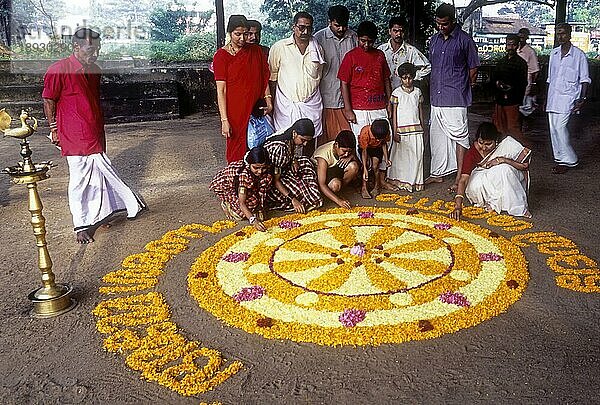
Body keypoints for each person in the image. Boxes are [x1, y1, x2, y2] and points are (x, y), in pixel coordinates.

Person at [42, 28, 146, 244]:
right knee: (80, 179)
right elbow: (48, 100)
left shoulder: (94, 69)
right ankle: (81, 225)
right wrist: (54, 128)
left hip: (94, 130)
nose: (96, 53)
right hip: (73, 135)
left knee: (98, 175)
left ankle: (101, 215)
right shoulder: (59, 69)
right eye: (91, 49)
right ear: (76, 47)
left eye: (98, 49)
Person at [427, 3, 480, 192]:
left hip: (456, 97)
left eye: (445, 24)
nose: (441, 27)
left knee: (460, 137)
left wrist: (464, 86)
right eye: (438, 23)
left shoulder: (465, 40)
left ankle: (459, 176)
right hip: (436, 97)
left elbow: (473, 68)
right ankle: (438, 173)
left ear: (453, 21)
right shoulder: (434, 40)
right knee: (437, 137)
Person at [214, 15, 272, 163]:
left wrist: (269, 101)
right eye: (237, 34)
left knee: (258, 146)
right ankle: (236, 182)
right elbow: (221, 90)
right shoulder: (221, 56)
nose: (242, 38)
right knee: (236, 149)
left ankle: (255, 182)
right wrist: (224, 120)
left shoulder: (256, 51)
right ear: (229, 32)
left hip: (255, 108)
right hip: (235, 112)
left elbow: (264, 78)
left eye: (245, 33)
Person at [269, 11, 325, 155]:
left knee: (309, 139)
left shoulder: (317, 48)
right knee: (284, 139)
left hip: (311, 103)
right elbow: (272, 77)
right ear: (293, 27)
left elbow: (320, 75)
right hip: (286, 103)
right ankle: (285, 171)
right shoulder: (279, 47)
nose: (305, 31)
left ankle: (307, 170)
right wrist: (272, 103)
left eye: (309, 28)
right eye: (301, 27)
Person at [450, 122, 531, 221]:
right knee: (474, 185)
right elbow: (463, 179)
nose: (484, 148)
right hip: (484, 176)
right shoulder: (473, 152)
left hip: (506, 174)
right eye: (481, 142)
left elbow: (524, 166)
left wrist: (502, 160)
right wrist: (458, 206)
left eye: (488, 144)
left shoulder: (506, 143)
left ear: (496, 141)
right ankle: (492, 203)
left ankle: (516, 207)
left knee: (504, 169)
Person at [338, 21, 391, 150]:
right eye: (363, 41)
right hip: (358, 109)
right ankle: (364, 170)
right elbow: (343, 83)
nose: (366, 45)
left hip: (379, 107)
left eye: (370, 41)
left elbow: (386, 80)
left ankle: (381, 170)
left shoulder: (380, 55)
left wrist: (389, 103)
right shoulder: (350, 56)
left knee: (382, 141)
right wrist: (348, 109)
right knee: (361, 143)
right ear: (357, 38)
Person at [546, 22, 591, 174]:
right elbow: (550, 78)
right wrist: (545, 98)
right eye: (558, 33)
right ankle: (560, 160)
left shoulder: (579, 55)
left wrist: (582, 99)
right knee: (553, 129)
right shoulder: (554, 54)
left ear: (570, 34)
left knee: (560, 128)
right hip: (553, 97)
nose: (560, 36)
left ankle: (571, 159)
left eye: (563, 33)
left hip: (568, 98)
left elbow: (585, 79)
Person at [314, 5, 357, 146]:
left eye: (344, 26)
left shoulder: (354, 37)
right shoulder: (318, 38)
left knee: (349, 141)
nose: (341, 29)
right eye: (337, 25)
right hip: (327, 98)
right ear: (329, 22)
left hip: (350, 100)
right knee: (327, 142)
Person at [264, 118, 323, 213]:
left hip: (283, 170)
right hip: (272, 182)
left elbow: (290, 156)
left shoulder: (290, 139)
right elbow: (276, 181)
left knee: (306, 161)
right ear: (295, 133)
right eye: (303, 140)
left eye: (307, 141)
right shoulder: (279, 148)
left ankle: (306, 190)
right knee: (308, 197)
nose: (305, 144)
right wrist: (293, 199)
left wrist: (293, 160)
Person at [209, 146, 273, 232]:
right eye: (256, 168)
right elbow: (242, 203)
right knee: (240, 215)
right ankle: (226, 204)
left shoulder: (265, 172)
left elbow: (262, 190)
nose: (260, 172)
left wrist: (259, 207)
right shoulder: (244, 176)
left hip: (248, 188)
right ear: (249, 164)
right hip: (228, 187)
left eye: (263, 168)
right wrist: (253, 221)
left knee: (257, 211)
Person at [388, 62, 425, 192]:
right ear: (400, 77)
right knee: (402, 158)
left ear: (413, 77)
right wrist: (395, 130)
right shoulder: (396, 93)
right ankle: (402, 180)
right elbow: (394, 114)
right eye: (404, 78)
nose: (407, 81)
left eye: (410, 77)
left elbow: (420, 110)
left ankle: (415, 181)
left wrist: (423, 127)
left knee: (417, 155)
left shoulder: (417, 92)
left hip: (416, 130)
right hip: (402, 130)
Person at [491, 34, 528, 146]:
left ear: (517, 46)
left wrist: (511, 88)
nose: (510, 47)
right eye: (508, 44)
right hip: (499, 98)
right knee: (499, 126)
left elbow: (523, 82)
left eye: (513, 45)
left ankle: (521, 149)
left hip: (513, 99)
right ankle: (503, 148)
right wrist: (498, 83)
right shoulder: (501, 61)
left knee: (513, 128)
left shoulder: (521, 63)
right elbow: (495, 77)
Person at [377, 16, 431, 91]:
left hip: (404, 94)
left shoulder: (411, 51)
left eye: (401, 31)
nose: (398, 34)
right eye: (395, 31)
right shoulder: (381, 50)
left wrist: (412, 76)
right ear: (390, 31)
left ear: (405, 32)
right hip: (384, 93)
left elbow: (427, 67)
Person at [313, 130, 359, 209]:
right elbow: (322, 184)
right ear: (336, 145)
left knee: (354, 166)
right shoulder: (323, 157)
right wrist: (339, 201)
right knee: (335, 185)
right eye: (344, 151)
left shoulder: (345, 147)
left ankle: (339, 191)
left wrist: (351, 157)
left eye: (349, 151)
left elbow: (357, 162)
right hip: (321, 174)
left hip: (334, 169)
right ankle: (331, 195)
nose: (346, 154)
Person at [358, 119, 395, 199]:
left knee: (375, 166)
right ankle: (364, 187)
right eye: (376, 138)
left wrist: (386, 159)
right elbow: (364, 151)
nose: (378, 140)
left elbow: (384, 144)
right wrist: (364, 168)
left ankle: (377, 186)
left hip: (377, 148)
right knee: (367, 165)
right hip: (366, 149)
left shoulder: (385, 132)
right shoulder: (365, 133)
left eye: (380, 139)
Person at [517, 28, 540, 117]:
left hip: (526, 82)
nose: (521, 38)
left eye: (523, 36)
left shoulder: (530, 52)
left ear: (527, 37)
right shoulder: (515, 49)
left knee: (526, 107)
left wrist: (533, 84)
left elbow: (535, 70)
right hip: (515, 82)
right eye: (520, 36)